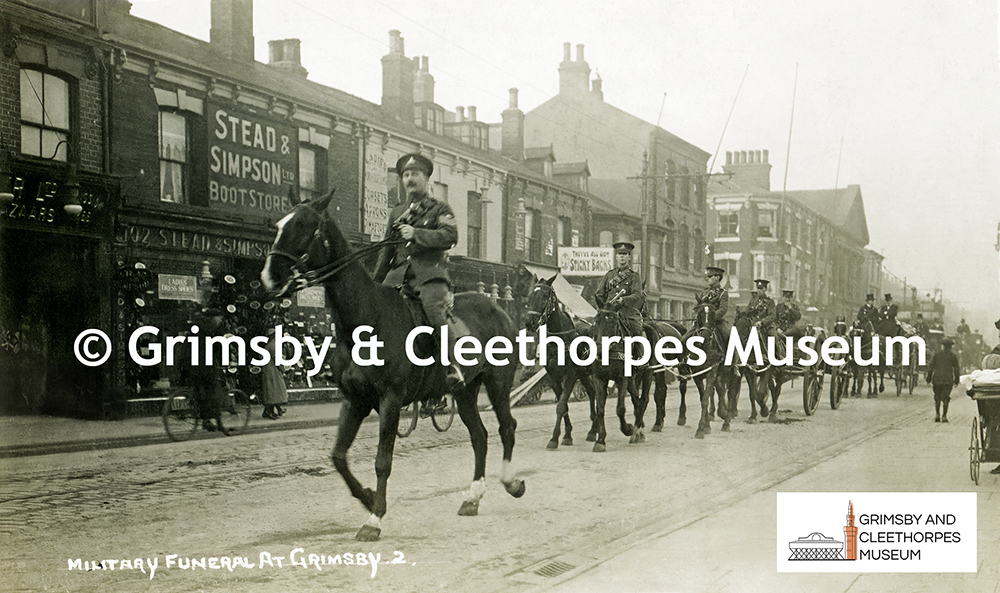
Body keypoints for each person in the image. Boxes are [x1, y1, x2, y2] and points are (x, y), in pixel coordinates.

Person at [373, 153, 465, 391]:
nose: (409, 179)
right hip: (398, 274)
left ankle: (451, 366)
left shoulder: (439, 208)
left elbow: (450, 236)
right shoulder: (397, 213)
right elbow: (387, 250)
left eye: (415, 174)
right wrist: (375, 282)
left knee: (434, 311)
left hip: (429, 274)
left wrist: (416, 234)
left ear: (426, 178)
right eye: (405, 175)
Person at [177, 308, 228, 432]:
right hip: (201, 363)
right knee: (213, 389)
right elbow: (214, 347)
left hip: (189, 362)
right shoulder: (209, 329)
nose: (220, 321)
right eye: (219, 318)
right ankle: (210, 418)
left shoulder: (198, 326)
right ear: (213, 318)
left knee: (200, 390)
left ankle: (205, 418)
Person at [594, 241, 644, 337]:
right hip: (609, 312)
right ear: (616, 257)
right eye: (619, 254)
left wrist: (623, 300)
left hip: (627, 313)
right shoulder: (609, 275)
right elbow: (599, 294)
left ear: (629, 257)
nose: (622, 256)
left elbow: (637, 295)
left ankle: (639, 347)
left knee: (637, 331)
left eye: (624, 254)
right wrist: (604, 307)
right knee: (593, 329)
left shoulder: (634, 275)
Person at [926, 338, 960, 423]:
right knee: (946, 398)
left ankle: (937, 414)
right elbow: (956, 369)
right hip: (948, 380)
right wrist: (957, 380)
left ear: (943, 346)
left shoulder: (937, 355)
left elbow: (931, 367)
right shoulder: (953, 356)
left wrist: (928, 379)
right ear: (950, 347)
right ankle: (944, 416)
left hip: (937, 379)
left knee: (937, 397)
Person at [695, 266, 729, 348]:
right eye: (707, 277)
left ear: (717, 277)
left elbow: (723, 309)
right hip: (702, 322)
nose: (707, 279)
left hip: (716, 322)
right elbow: (698, 306)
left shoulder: (722, 293)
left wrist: (711, 317)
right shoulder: (704, 292)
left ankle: (730, 355)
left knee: (727, 337)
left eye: (710, 276)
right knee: (684, 339)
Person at [259, 331, 288, 420]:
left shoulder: (268, 345)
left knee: (271, 392)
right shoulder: (273, 346)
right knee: (273, 392)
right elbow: (277, 360)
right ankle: (270, 411)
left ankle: (270, 411)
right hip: (273, 372)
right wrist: (283, 369)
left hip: (269, 371)